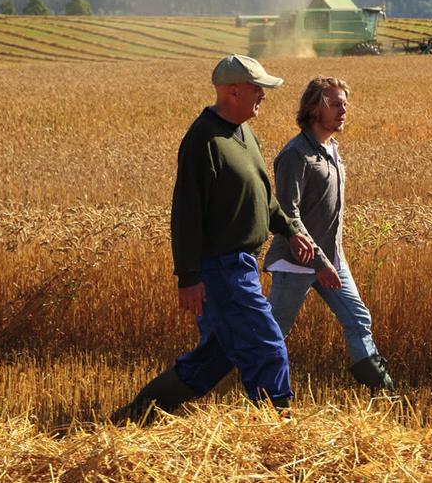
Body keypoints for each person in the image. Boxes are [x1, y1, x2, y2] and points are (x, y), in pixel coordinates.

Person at [111, 54, 315, 424]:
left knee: (214, 358)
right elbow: (186, 213)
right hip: (221, 268)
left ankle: (133, 417)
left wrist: (290, 228)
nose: (264, 95)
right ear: (233, 91)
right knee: (267, 346)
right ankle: (281, 433)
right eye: (258, 88)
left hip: (241, 265)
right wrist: (188, 277)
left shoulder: (245, 134)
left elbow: (264, 198)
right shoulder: (203, 138)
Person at [263, 76, 395, 394]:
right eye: (335, 104)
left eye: (345, 104)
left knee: (358, 317)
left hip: (332, 259)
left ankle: (382, 390)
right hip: (297, 262)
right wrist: (319, 262)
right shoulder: (296, 154)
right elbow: (287, 213)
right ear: (313, 109)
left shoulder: (331, 149)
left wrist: (330, 258)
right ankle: (257, 388)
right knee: (274, 331)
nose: (343, 110)